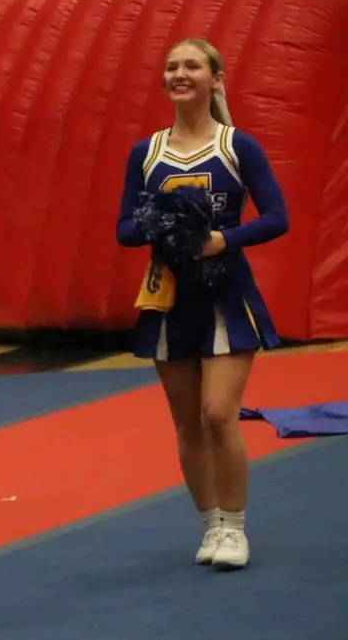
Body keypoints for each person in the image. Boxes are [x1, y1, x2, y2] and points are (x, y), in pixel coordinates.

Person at [116, 38, 289, 571]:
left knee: (218, 414)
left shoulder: (238, 146)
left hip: (226, 293)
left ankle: (235, 526)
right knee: (188, 423)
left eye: (192, 65)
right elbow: (123, 229)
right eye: (171, 66)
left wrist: (221, 239)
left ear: (216, 80)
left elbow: (277, 217)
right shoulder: (146, 153)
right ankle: (210, 523)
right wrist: (158, 223)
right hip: (169, 297)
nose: (180, 73)